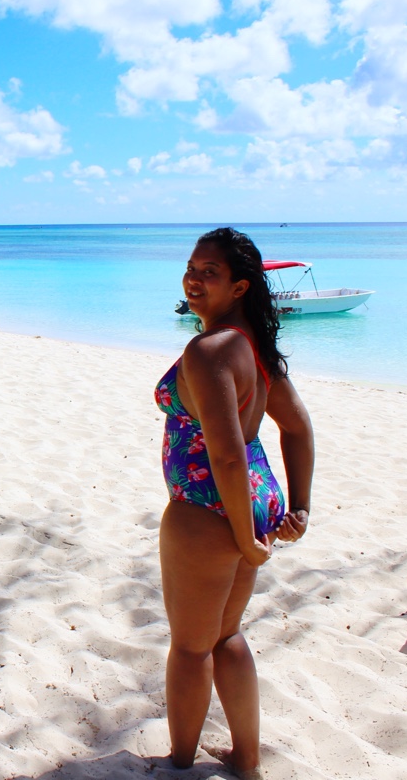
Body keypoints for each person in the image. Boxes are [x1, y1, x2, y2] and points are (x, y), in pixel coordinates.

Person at [154, 228, 314, 777]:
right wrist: (299, 507)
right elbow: (297, 427)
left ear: (240, 286)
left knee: (190, 648)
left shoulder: (210, 350)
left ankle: (178, 762)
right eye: (192, 267)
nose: (194, 279)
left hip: (207, 509)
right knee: (227, 636)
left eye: (210, 272)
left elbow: (225, 457)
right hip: (252, 504)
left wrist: (245, 537)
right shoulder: (253, 348)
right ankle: (246, 760)